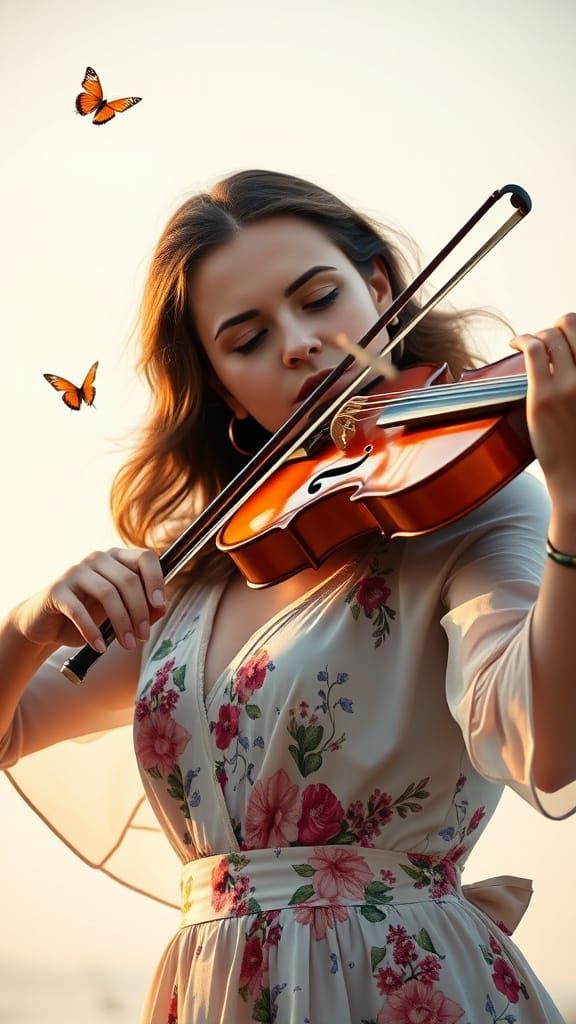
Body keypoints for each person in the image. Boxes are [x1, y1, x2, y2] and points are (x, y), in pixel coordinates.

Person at [1, 169, 575, 1024]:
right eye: (248, 338)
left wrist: (570, 499)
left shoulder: (470, 497)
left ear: (380, 289)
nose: (300, 343)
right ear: (220, 384)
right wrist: (28, 624)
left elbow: (547, 746)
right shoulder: (197, 574)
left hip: (398, 986)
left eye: (319, 299)